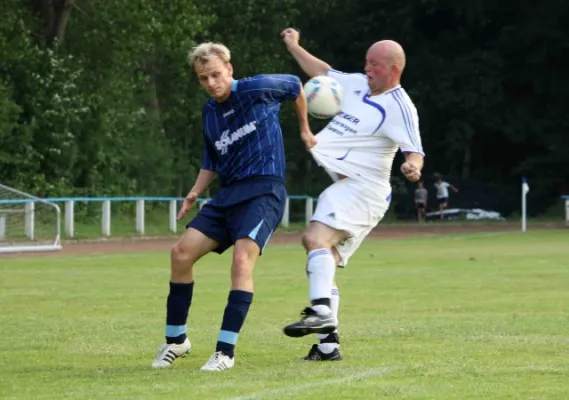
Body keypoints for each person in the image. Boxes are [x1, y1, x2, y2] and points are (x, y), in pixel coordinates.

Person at [151, 42, 315, 371]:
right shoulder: (210, 112)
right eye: (203, 78)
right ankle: (177, 341)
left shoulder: (258, 88)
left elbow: (297, 86)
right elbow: (211, 159)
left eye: (215, 74)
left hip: (264, 190)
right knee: (180, 254)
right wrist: (195, 192)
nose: (211, 83)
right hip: (227, 195)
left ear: (229, 68)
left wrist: (304, 128)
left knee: (242, 259)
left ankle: (225, 352)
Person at [280, 28, 425, 361]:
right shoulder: (357, 83)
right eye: (366, 62)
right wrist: (294, 46)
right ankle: (328, 345)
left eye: (374, 64)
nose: (367, 69)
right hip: (349, 188)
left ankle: (320, 312)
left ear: (393, 69)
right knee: (324, 259)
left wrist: (412, 167)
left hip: (365, 190)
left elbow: (414, 150)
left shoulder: (400, 107)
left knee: (314, 238)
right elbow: (322, 71)